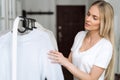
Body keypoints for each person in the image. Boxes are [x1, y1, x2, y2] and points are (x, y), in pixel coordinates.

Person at [48, 0, 115, 80]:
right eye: (88, 14)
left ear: (104, 22)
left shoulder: (105, 46)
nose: (88, 19)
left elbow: (92, 78)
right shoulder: (80, 35)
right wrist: (56, 57)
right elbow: (70, 62)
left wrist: (65, 62)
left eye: (94, 18)